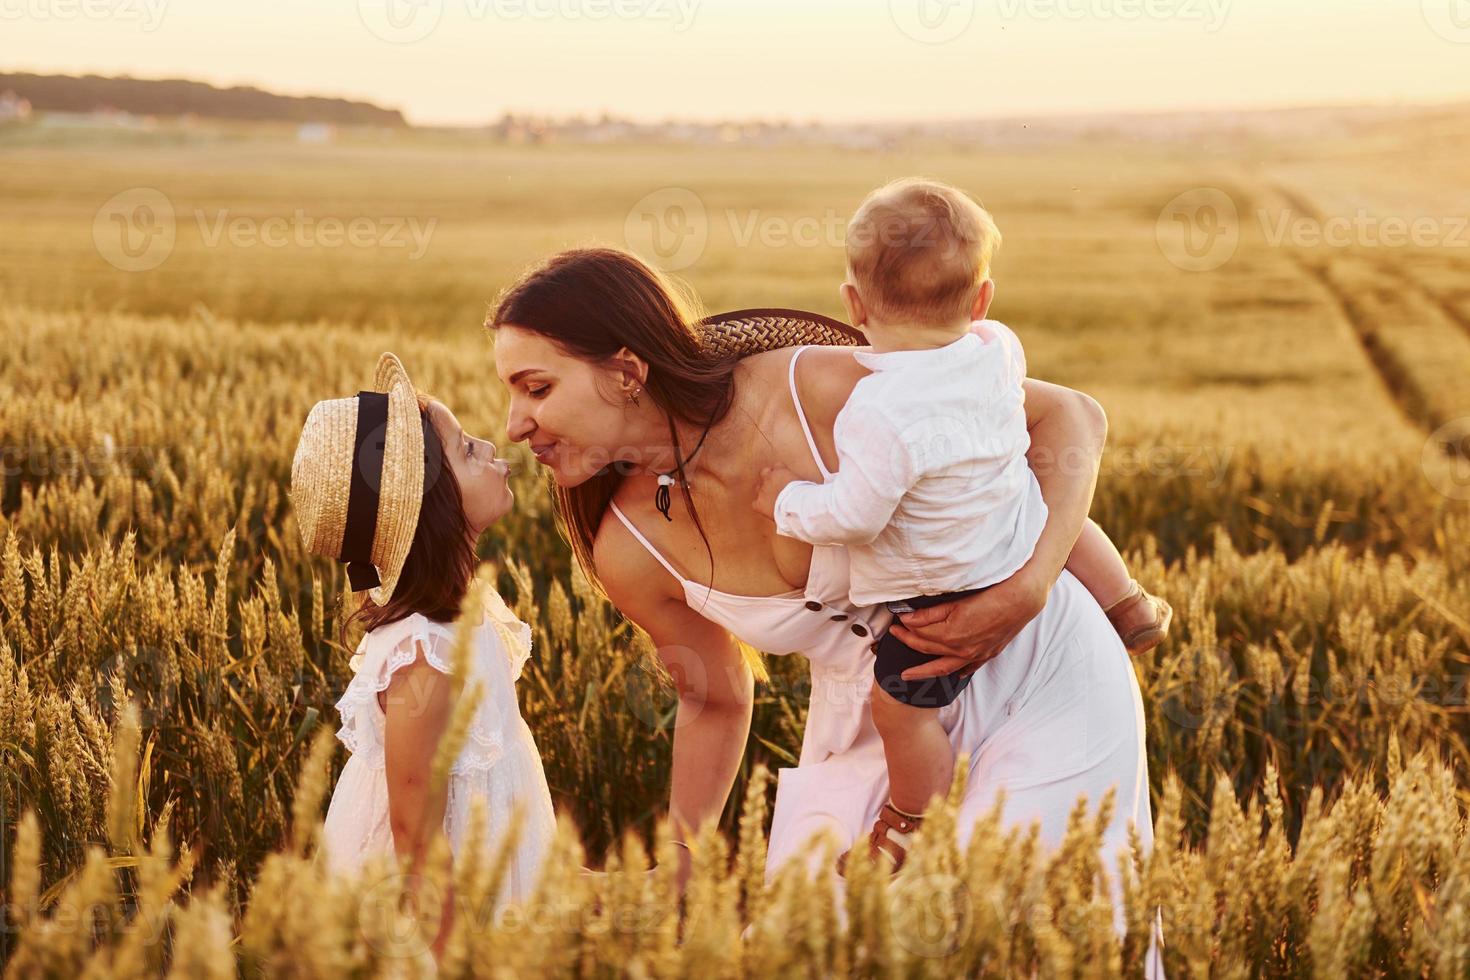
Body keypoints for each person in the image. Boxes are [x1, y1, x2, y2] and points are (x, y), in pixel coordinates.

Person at [488, 247, 1163, 969]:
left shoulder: (803, 392)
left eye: (535, 388)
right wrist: (683, 856)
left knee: (1024, 936)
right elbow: (712, 697)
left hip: (1035, 670)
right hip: (871, 722)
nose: (514, 424)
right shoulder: (627, 548)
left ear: (625, 373)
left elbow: (1071, 418)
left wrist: (1025, 589)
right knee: (822, 952)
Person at [750, 177, 1171, 872]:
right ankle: (1126, 602)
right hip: (1015, 536)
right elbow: (1058, 419)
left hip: (942, 593)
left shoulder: (878, 409)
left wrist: (786, 502)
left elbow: (854, 516)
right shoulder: (997, 349)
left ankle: (911, 818)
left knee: (899, 711)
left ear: (853, 305)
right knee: (1043, 507)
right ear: (982, 299)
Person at [289, 352, 556, 963]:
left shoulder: (469, 611)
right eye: (467, 452)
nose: (491, 446)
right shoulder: (424, 657)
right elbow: (413, 830)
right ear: (431, 514)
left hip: (487, 855)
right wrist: (449, 953)